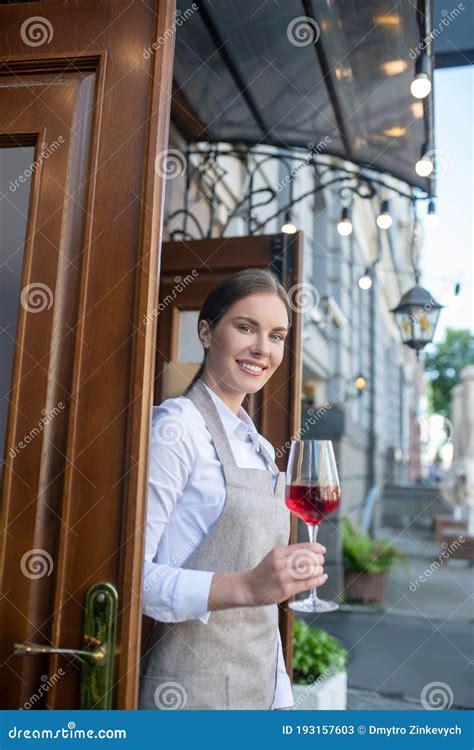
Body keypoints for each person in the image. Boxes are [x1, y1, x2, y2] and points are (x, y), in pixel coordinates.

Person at [138, 268, 327, 710]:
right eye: (246, 328)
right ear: (206, 332)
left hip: (259, 690)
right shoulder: (176, 428)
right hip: (190, 693)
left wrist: (282, 699)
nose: (263, 348)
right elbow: (133, 579)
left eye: (277, 335)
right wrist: (244, 586)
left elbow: (265, 608)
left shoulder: (259, 446)